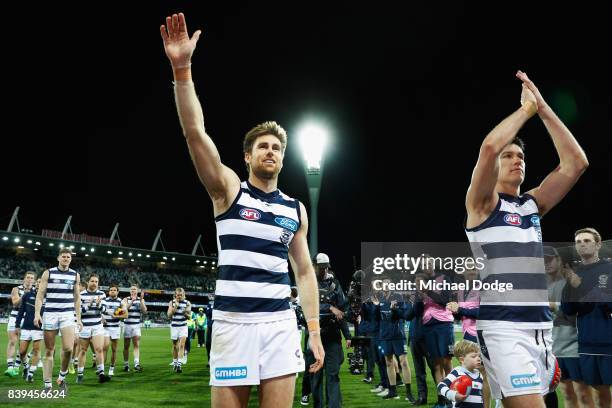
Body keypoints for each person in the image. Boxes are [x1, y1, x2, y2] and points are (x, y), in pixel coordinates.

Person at [160, 12, 324, 408]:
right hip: (233, 323)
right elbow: (194, 133)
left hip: (280, 325)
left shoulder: (295, 209)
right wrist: (183, 70)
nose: (272, 151)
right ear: (247, 156)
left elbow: (303, 271)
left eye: (278, 148)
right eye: (264, 146)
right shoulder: (229, 192)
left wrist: (314, 330)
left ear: (283, 159)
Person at [465, 71, 588, 408]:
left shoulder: (531, 204)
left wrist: (544, 108)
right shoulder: (482, 204)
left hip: (540, 330)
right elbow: (490, 147)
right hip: (504, 328)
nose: (517, 159)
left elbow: (576, 163)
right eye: (510, 156)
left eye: (520, 156)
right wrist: (526, 111)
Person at [561, 228, 612, 408]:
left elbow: (607, 303)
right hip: (585, 344)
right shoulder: (575, 272)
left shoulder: (609, 268)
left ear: (598, 244)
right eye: (579, 242)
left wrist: (579, 287)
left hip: (608, 341)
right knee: (595, 396)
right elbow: (567, 309)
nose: (582, 244)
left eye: (587, 241)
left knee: (607, 396)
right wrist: (572, 287)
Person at [545, 245, 594, 408]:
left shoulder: (571, 283)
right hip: (555, 348)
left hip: (574, 347)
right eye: (543, 260)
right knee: (567, 393)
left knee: (584, 394)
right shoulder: (543, 287)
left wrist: (555, 306)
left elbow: (583, 310)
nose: (546, 264)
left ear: (559, 261)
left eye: (550, 259)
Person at [34, 247, 82, 393]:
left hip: (67, 314)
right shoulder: (48, 273)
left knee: (68, 348)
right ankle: (47, 384)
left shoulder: (75, 275)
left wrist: (78, 318)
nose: (66, 259)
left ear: (71, 259)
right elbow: (40, 294)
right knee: (49, 350)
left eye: (68, 257)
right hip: (50, 314)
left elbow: (77, 297)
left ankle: (62, 376)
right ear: (58, 258)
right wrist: (37, 313)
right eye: (63, 256)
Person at [310, 253, 352, 408]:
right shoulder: (307, 281)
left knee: (333, 375)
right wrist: (329, 306)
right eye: (321, 267)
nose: (324, 270)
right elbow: (304, 307)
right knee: (316, 377)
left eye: (326, 267)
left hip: (333, 336)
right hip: (315, 337)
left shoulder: (334, 283)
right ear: (314, 266)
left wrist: (347, 335)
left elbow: (342, 308)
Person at [77, 274, 111, 383]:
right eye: (92, 281)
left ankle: (101, 374)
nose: (94, 283)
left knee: (99, 349)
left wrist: (98, 305)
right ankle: (80, 374)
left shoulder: (101, 294)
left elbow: (105, 309)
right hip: (85, 326)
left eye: (96, 281)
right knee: (83, 350)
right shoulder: (81, 294)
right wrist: (89, 305)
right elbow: (79, 311)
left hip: (97, 325)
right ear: (88, 282)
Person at [5, 271, 35, 378]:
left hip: (28, 319)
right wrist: (25, 296)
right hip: (14, 317)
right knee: (13, 341)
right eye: (28, 277)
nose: (29, 279)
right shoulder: (16, 289)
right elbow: (15, 303)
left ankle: (25, 366)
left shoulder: (36, 291)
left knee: (23, 347)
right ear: (24, 278)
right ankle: (10, 367)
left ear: (34, 280)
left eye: (32, 278)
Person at [437, 340, 484, 408]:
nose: (479, 359)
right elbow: (441, 386)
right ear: (462, 360)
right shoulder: (457, 372)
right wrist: (452, 395)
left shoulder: (479, 375)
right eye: (474, 356)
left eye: (479, 356)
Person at [14, 273, 41, 383]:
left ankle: (31, 373)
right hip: (26, 327)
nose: (40, 284)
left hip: (39, 328)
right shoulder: (27, 295)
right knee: (22, 352)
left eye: (42, 282)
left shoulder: (47, 297)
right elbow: (21, 312)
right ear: (36, 283)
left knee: (36, 350)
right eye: (38, 282)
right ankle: (25, 367)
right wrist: (17, 325)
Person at [102, 283, 127, 377]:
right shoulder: (104, 300)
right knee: (104, 348)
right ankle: (102, 369)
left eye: (114, 290)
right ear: (109, 291)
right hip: (105, 328)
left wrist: (115, 315)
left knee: (114, 350)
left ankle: (111, 369)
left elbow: (125, 315)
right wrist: (102, 318)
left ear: (117, 292)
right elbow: (99, 311)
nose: (112, 291)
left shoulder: (121, 302)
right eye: (111, 290)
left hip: (115, 327)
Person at [122, 284, 147, 372]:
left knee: (136, 345)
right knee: (126, 346)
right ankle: (126, 364)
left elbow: (144, 311)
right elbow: (124, 310)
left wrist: (141, 300)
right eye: (132, 289)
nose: (133, 291)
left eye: (134, 289)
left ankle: (136, 364)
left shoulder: (141, 300)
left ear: (137, 291)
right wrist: (132, 301)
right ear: (130, 291)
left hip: (136, 325)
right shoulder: (125, 299)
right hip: (127, 325)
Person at [167, 288, 191, 373]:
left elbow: (189, 317)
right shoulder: (171, 302)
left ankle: (179, 364)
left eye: (181, 295)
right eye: (178, 295)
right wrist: (176, 306)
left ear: (183, 294)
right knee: (174, 346)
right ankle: (175, 362)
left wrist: (185, 312)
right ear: (175, 295)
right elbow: (169, 315)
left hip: (183, 326)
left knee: (182, 345)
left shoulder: (187, 303)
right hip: (174, 326)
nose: (179, 296)